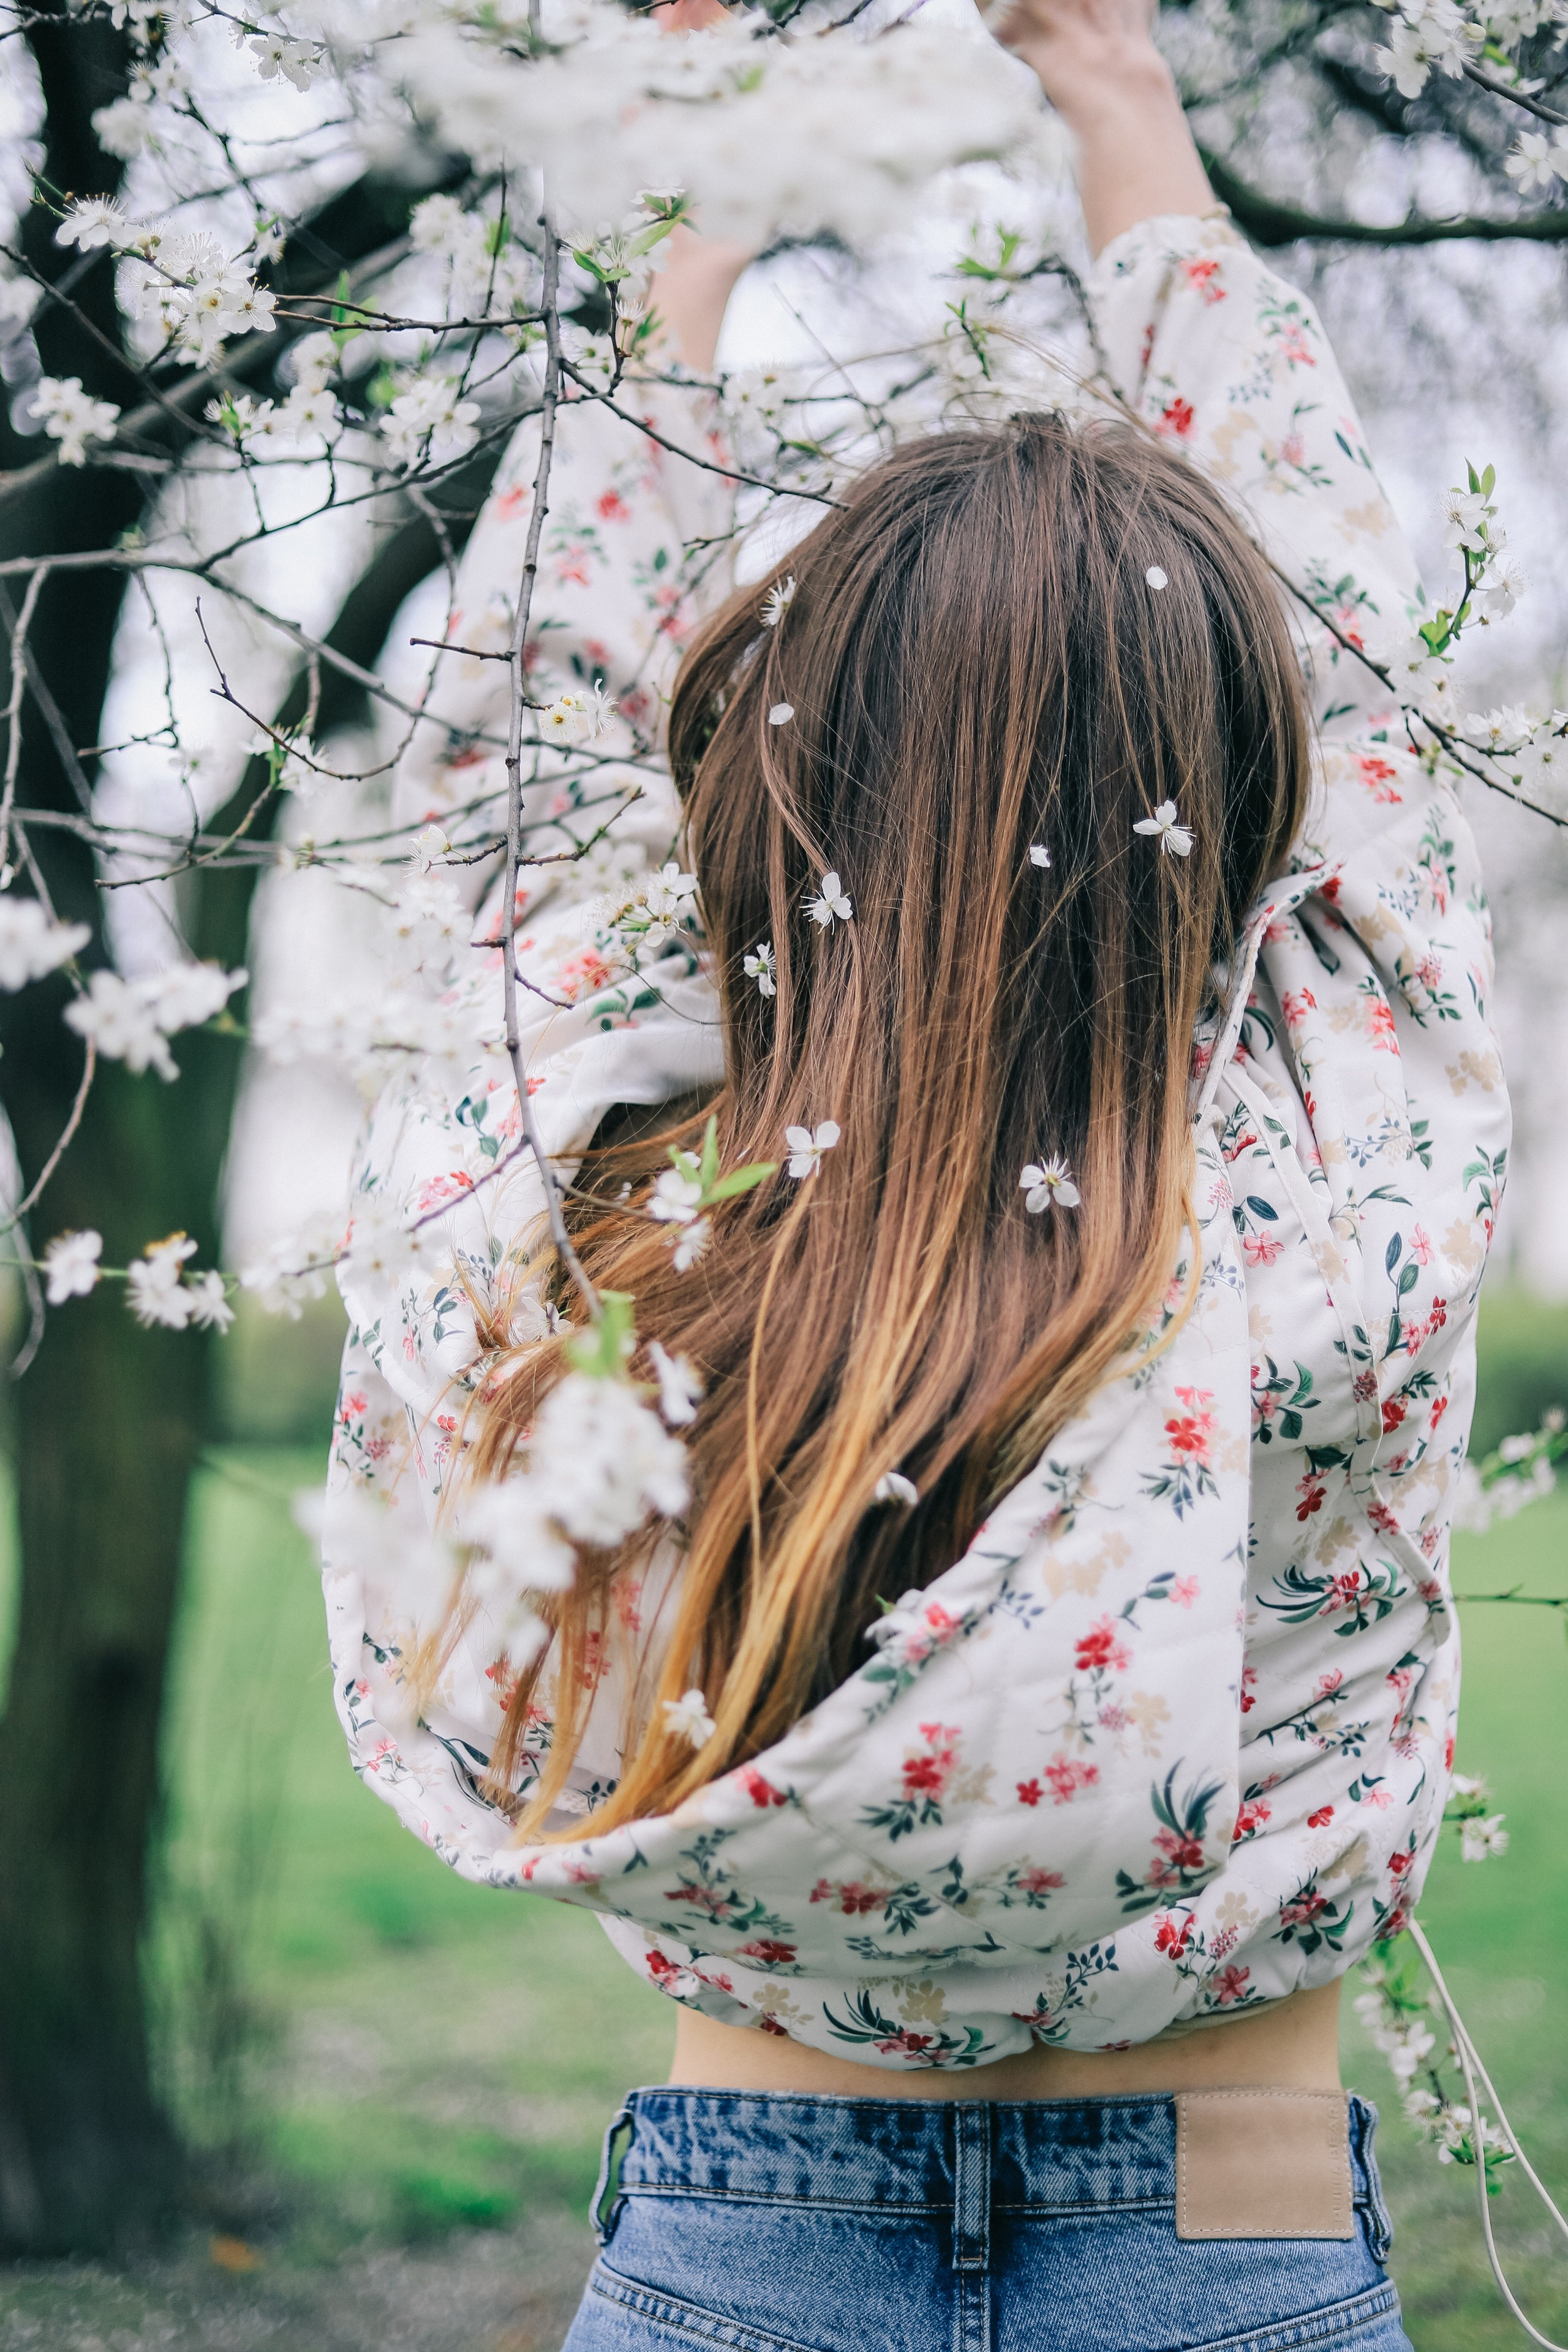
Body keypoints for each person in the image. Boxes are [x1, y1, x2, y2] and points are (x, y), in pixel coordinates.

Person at [318, 0, 1510, 2342]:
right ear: (1256, 795)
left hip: (742, 2237)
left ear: (758, 786)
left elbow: (530, 722)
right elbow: (1355, 638)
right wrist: (1123, 102)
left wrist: (688, 185)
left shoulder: (614, 1199)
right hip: (1226, 2233)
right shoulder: (1344, 1174)